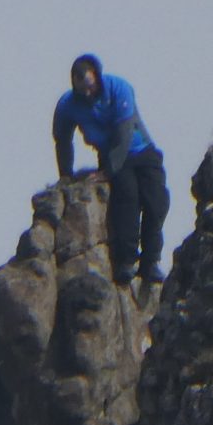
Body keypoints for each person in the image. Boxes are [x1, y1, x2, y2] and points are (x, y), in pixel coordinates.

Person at [52, 53, 169, 285]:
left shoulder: (119, 88)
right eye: (81, 89)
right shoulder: (68, 104)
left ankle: (151, 262)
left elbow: (123, 134)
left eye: (90, 87)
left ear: (97, 76)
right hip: (110, 155)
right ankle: (127, 261)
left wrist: (108, 172)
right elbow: (62, 139)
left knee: (156, 203)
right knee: (127, 199)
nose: (87, 93)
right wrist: (66, 175)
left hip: (140, 150)